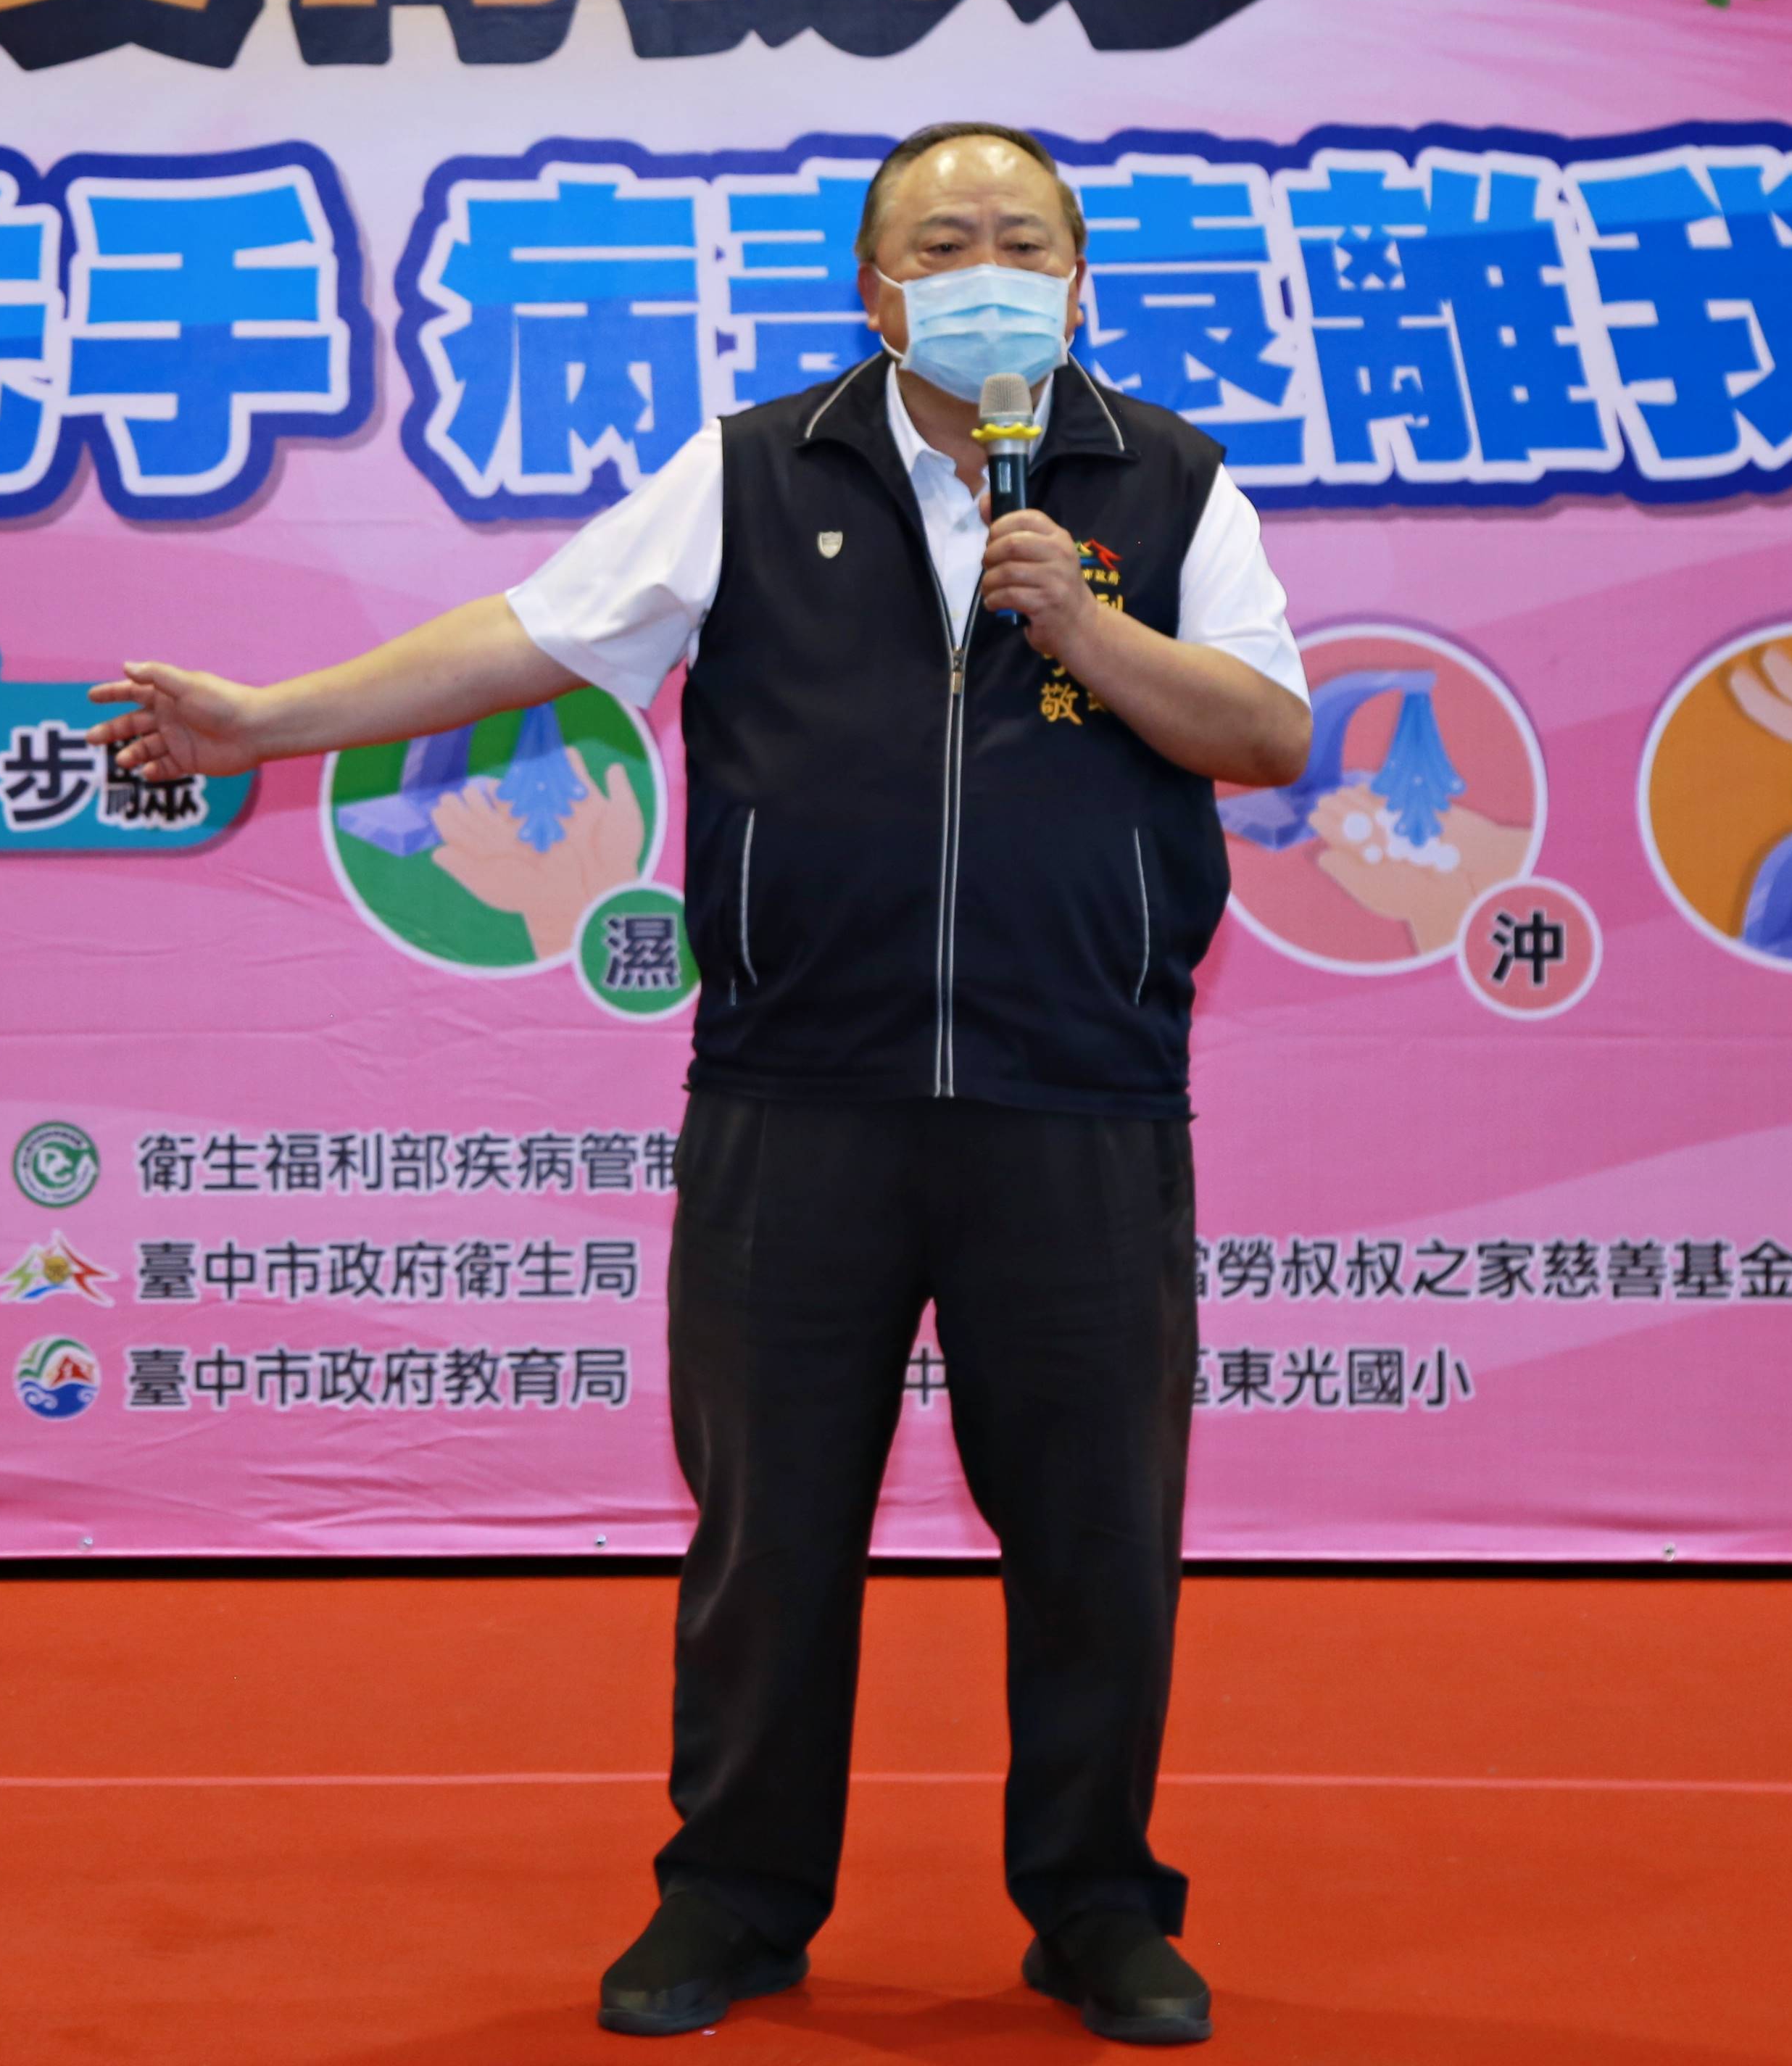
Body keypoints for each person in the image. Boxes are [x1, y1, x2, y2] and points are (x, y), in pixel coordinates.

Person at [97, 122, 1308, 2046]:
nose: (983, 271)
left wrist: (1084, 622)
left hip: (1077, 1097)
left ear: (1079, 280)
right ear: (875, 287)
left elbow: (1265, 729)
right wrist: (272, 723)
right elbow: (530, 632)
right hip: (796, 1097)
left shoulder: (1166, 481)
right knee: (769, 1528)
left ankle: (1096, 1905)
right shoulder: (754, 470)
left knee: (1096, 1535)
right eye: (942, 243)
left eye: (1021, 240)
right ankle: (735, 1896)